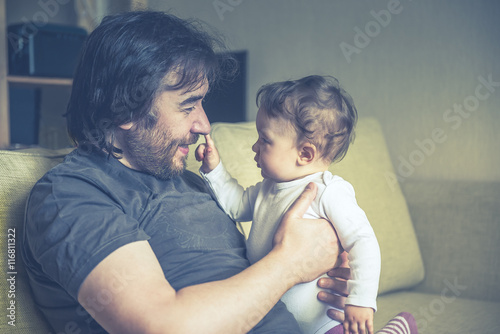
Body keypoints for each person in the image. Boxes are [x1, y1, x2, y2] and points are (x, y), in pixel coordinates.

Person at [22, 10, 418, 334]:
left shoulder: (189, 180)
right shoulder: (74, 193)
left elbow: (258, 266)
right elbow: (163, 327)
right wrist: (291, 263)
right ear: (126, 108)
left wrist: (321, 276)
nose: (204, 125)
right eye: (188, 105)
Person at [196, 75, 381, 334]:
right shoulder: (266, 189)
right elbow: (236, 206)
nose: (254, 146)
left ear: (305, 154)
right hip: (275, 321)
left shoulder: (329, 192)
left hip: (324, 324)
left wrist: (361, 301)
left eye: (265, 140)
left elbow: (363, 241)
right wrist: (214, 169)